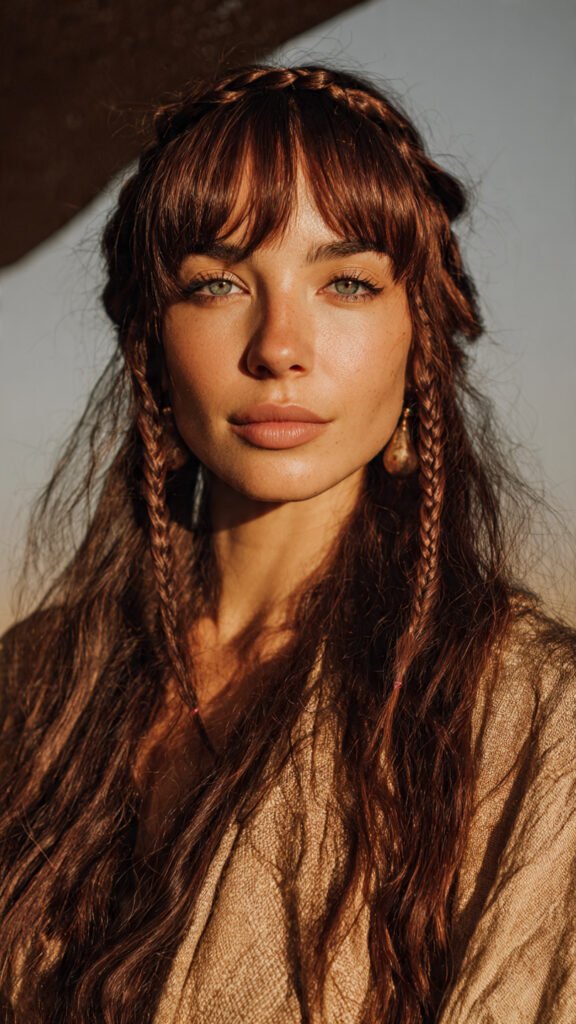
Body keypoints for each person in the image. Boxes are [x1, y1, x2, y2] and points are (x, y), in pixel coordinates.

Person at [0, 63, 574, 1024]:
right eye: (219, 282)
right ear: (152, 337)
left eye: (345, 281)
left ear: (417, 335)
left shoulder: (527, 722)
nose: (278, 345)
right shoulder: (32, 689)